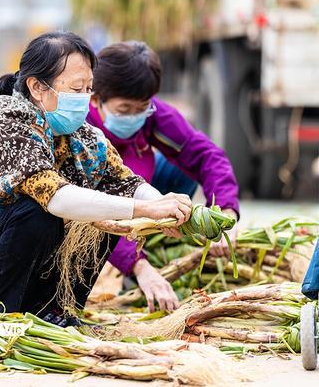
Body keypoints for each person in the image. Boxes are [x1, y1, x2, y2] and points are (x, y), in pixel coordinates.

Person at [0, 31, 201, 325]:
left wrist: (166, 208)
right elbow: (54, 196)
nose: (84, 99)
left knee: (102, 214)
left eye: (88, 89)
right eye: (76, 88)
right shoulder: (6, 120)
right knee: (36, 211)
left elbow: (126, 184)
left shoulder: (82, 137)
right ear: (37, 87)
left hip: (9, 272)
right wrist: (146, 211)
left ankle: (57, 313)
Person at [87, 41, 240, 310]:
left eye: (141, 107)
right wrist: (139, 266)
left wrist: (225, 213)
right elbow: (92, 212)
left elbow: (206, 155)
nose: (134, 117)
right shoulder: (83, 129)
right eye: (124, 110)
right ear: (96, 99)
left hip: (144, 197)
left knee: (182, 169)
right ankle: (138, 265)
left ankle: (159, 247)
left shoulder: (153, 115)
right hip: (101, 210)